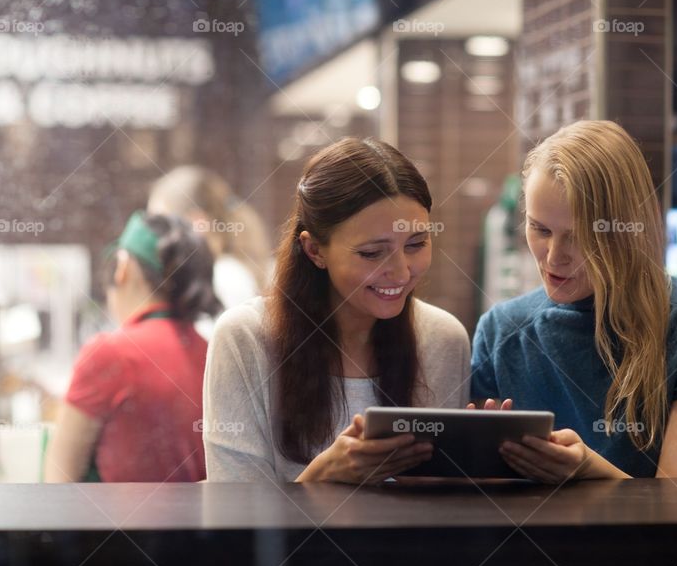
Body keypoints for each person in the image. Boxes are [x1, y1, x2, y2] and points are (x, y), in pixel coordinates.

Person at [471, 120, 677, 481]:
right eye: (540, 229)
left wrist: (589, 470)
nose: (554, 257)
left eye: (579, 237)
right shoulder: (500, 329)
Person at [203, 137, 470, 484]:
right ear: (314, 250)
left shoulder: (443, 339)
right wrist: (320, 479)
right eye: (372, 253)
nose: (402, 272)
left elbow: (444, 514)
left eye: (416, 244)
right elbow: (235, 522)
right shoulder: (245, 338)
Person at [46, 212, 222, 482]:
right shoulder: (213, 354)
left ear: (122, 267)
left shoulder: (110, 354)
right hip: (201, 524)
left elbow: (58, 482)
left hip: (118, 525)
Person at [148, 165, 272, 309]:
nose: (152, 233)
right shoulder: (223, 274)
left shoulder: (225, 279)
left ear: (196, 222)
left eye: (161, 223)